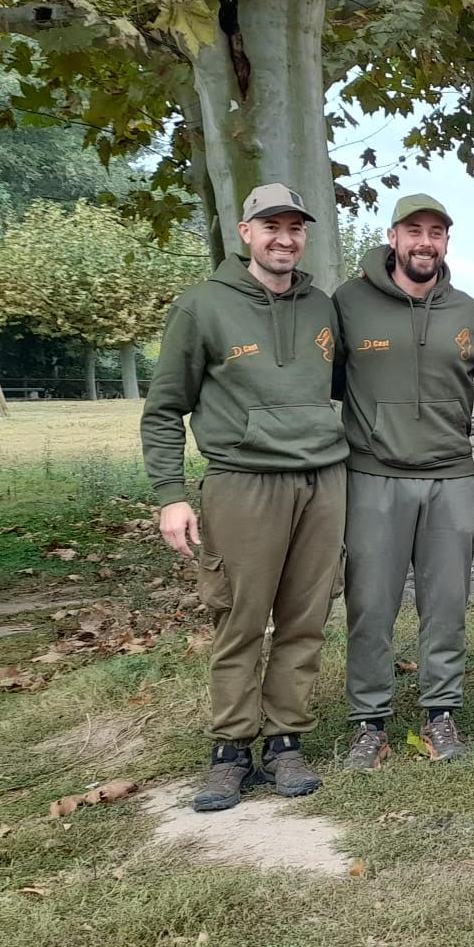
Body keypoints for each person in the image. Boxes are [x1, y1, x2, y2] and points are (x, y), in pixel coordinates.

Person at [141, 184, 345, 813]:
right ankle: (230, 749)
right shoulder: (203, 307)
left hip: (322, 481)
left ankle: (285, 741)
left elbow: (339, 385)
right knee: (239, 618)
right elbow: (163, 409)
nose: (284, 238)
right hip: (242, 482)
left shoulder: (323, 308)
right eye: (271, 226)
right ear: (244, 232)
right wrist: (171, 496)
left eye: (294, 227)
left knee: (305, 619)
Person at [334, 193, 474, 769]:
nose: (425, 242)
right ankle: (369, 721)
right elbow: (325, 378)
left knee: (446, 603)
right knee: (371, 603)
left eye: (436, 232)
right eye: (414, 231)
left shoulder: (465, 311)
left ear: (446, 243)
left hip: (451, 476)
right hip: (374, 475)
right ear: (393, 237)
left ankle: (442, 713)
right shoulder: (348, 304)